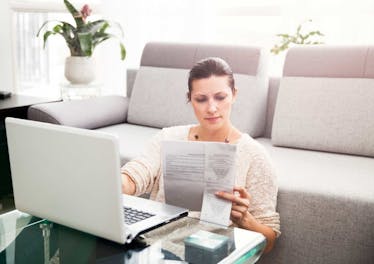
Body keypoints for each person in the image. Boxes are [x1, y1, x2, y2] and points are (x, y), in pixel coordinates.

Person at [121, 57, 280, 252]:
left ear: (234, 95)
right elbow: (137, 174)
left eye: (220, 97)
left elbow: (269, 241)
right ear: (190, 98)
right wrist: (117, 183)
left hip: (211, 254)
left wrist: (244, 219)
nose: (212, 108)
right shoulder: (168, 137)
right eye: (201, 99)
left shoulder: (254, 155)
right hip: (155, 249)